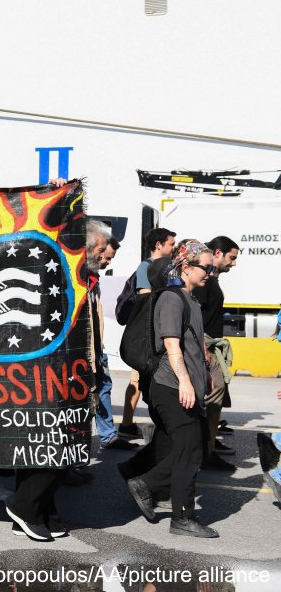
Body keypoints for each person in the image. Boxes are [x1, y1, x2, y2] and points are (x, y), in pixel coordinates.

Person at [6, 218, 109, 541]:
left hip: (78, 371)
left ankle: (41, 510)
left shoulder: (89, 279)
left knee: (58, 446)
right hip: (48, 373)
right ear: (87, 246)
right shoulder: (57, 270)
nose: (108, 256)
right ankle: (23, 505)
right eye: (103, 249)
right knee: (51, 446)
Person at [126, 239, 218, 538]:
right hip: (171, 386)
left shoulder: (191, 299)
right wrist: (186, 382)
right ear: (187, 267)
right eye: (205, 267)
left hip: (183, 385)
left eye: (211, 267)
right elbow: (171, 344)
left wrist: (203, 373)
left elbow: (190, 342)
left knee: (194, 446)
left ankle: (147, 485)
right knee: (190, 451)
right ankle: (181, 517)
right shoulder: (171, 299)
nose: (210, 272)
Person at [118, 228, 176, 440]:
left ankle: (128, 423)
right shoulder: (146, 267)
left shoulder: (163, 266)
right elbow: (146, 299)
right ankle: (126, 423)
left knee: (140, 380)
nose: (173, 248)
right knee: (137, 379)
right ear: (158, 245)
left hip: (155, 333)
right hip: (148, 335)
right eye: (171, 244)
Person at [192, 236, 239, 472]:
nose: (234, 263)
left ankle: (208, 448)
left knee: (214, 403)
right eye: (232, 258)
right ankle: (204, 453)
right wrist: (203, 351)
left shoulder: (212, 280)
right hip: (206, 350)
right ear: (218, 253)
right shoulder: (206, 282)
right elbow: (195, 316)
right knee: (210, 402)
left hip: (211, 349)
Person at [95, 238, 134, 451]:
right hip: (85, 349)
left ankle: (108, 435)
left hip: (95, 347)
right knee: (96, 390)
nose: (108, 262)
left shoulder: (93, 278)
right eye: (106, 256)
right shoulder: (81, 277)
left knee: (104, 387)